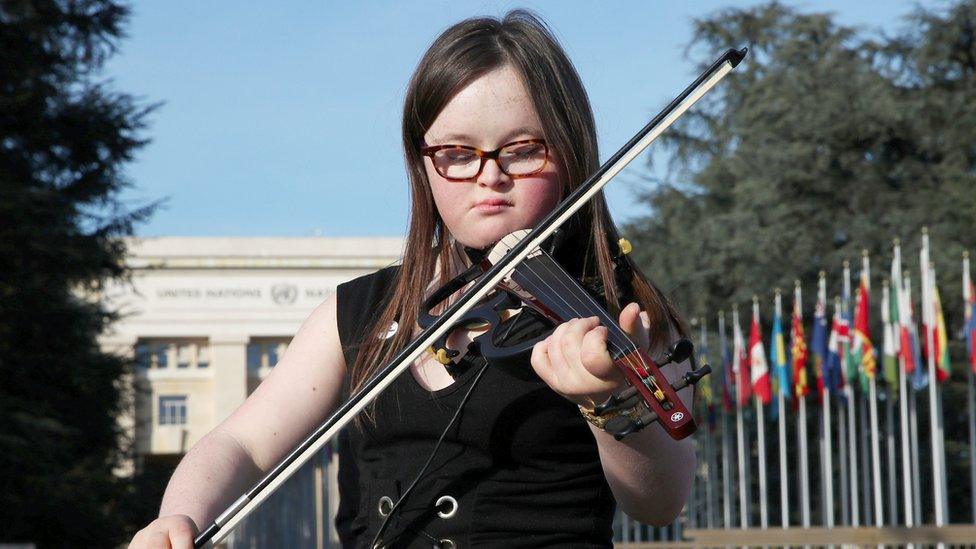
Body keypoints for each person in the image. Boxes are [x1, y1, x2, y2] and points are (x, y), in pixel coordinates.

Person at [128, 10, 695, 549]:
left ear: (571, 152)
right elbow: (243, 443)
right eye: (456, 153)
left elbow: (660, 501)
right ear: (423, 163)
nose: (489, 176)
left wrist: (613, 403)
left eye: (523, 151)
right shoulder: (361, 310)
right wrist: (179, 517)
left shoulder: (622, 313)